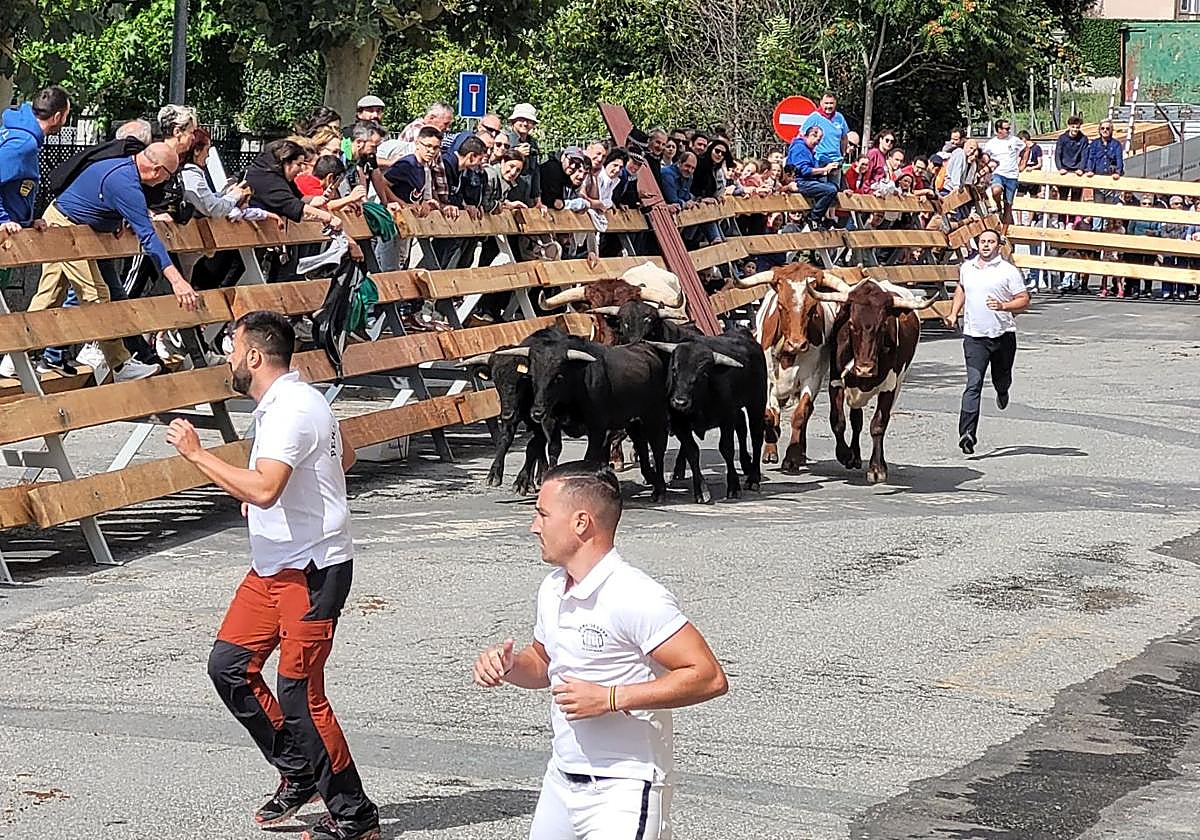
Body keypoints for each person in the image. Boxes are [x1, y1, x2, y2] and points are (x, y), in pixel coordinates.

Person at [166, 311, 379, 840]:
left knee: (300, 695)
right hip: (274, 566)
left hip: (312, 571)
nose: (228, 358)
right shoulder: (294, 402)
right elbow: (342, 457)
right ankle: (299, 768)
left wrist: (198, 456)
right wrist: (271, 504)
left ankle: (356, 817)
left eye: (231, 349)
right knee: (229, 667)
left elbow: (264, 488)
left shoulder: (291, 409)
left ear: (255, 356)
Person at [471, 461, 728, 840]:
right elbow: (543, 663)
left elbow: (708, 676)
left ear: (581, 523)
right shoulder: (553, 587)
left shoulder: (635, 595)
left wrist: (611, 697)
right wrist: (508, 666)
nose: (533, 526)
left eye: (542, 514)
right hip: (560, 781)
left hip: (625, 790)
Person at [25, 142, 200, 383]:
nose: (166, 184)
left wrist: (114, 220)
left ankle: (13, 360)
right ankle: (119, 365)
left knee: (50, 296)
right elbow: (148, 237)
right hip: (66, 229)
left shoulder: (125, 171)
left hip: (67, 222)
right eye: (169, 176)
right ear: (157, 170)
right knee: (97, 296)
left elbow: (101, 201)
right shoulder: (125, 183)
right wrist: (177, 281)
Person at [942, 229, 1030, 455]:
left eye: (991, 242)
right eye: (983, 242)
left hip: (1002, 336)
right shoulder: (967, 268)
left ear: (998, 246)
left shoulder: (1008, 271)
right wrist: (953, 314)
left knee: (1002, 378)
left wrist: (1003, 306)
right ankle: (967, 433)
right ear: (977, 244)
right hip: (975, 337)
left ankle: (1002, 391)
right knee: (974, 384)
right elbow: (961, 289)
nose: (986, 245)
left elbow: (1023, 300)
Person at [0, 86, 70, 235]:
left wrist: (30, 222)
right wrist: (3, 221)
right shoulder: (23, 143)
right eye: (66, 116)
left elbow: (14, 188)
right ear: (57, 117)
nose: (64, 121)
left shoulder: (16, 133)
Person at [787, 125, 839, 228]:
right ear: (811, 135)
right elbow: (805, 170)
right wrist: (824, 169)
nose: (818, 143)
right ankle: (814, 217)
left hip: (809, 180)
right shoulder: (800, 148)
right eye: (817, 140)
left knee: (834, 188)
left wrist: (827, 171)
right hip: (801, 182)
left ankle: (823, 218)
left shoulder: (809, 150)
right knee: (830, 190)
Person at [800, 91, 850, 186]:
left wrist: (843, 154)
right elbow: (802, 135)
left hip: (835, 160)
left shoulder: (839, 118)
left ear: (835, 103)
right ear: (821, 103)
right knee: (822, 188)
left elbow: (844, 137)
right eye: (826, 103)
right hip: (819, 159)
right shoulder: (814, 117)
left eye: (831, 103)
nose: (829, 106)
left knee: (835, 190)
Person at [982, 119, 1023, 221]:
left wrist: (1023, 163)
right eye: (1006, 129)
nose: (1009, 131)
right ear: (999, 130)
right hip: (998, 173)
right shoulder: (991, 143)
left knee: (1008, 205)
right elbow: (985, 156)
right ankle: (998, 206)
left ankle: (1005, 232)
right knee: (996, 190)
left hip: (1012, 175)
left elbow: (1026, 148)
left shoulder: (1014, 140)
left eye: (1009, 128)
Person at [1085, 120, 1123, 205]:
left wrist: (1118, 172)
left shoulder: (1116, 144)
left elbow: (1119, 160)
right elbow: (1090, 158)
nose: (1105, 130)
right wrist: (1089, 170)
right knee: (1098, 206)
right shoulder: (1094, 144)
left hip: (1111, 179)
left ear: (1111, 130)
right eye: (1102, 128)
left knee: (1109, 206)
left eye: (1107, 128)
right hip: (1098, 179)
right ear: (1099, 130)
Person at [1054, 115, 1088, 210]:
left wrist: (1081, 168)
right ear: (1069, 126)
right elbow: (1057, 154)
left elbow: (1084, 155)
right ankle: (1061, 220)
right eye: (1073, 127)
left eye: (1077, 127)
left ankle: (1072, 222)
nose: (1075, 129)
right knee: (1063, 197)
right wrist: (1060, 168)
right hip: (1065, 170)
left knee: (1076, 199)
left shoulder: (1083, 139)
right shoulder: (1062, 138)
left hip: (1077, 172)